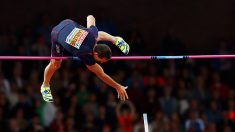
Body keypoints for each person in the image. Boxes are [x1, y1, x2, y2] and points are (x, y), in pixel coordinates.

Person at [41, 15, 130, 102]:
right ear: (95, 54)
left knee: (96, 35)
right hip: (56, 34)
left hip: (67, 23)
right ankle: (45, 86)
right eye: (101, 61)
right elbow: (101, 74)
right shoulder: (84, 53)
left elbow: (90, 17)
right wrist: (117, 86)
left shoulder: (92, 34)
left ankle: (116, 40)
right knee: (55, 64)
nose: (101, 63)